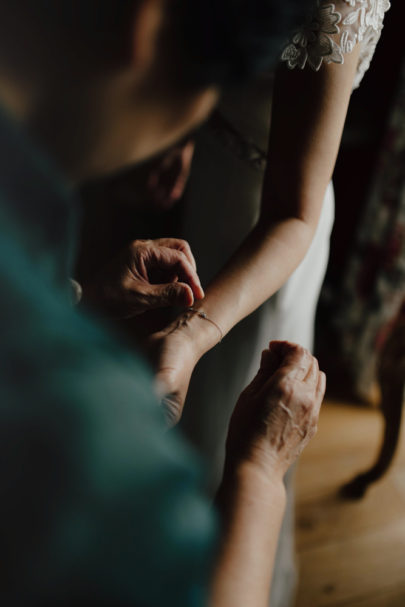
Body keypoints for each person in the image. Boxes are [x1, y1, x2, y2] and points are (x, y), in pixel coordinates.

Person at [0, 2, 324, 606]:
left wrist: (79, 296)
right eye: (214, 76)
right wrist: (259, 475)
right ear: (143, 20)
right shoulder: (91, 427)